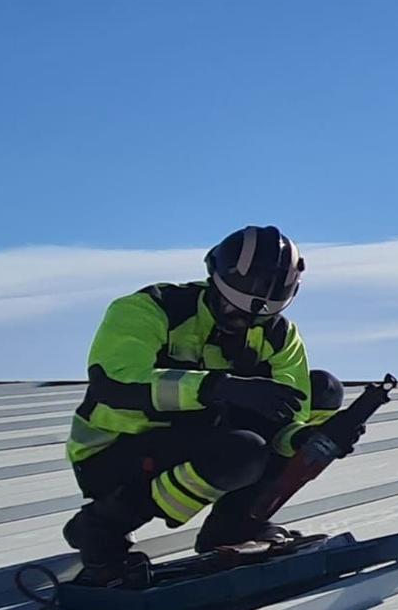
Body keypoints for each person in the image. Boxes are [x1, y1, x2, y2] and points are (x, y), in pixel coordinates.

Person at [59, 225, 360, 585]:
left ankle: (233, 526)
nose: (244, 322)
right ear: (213, 281)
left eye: (257, 317)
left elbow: (286, 420)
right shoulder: (150, 309)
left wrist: (306, 440)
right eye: (233, 309)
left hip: (205, 437)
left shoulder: (280, 337)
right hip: (115, 452)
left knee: (322, 390)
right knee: (242, 451)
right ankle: (103, 527)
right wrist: (219, 387)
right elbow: (116, 384)